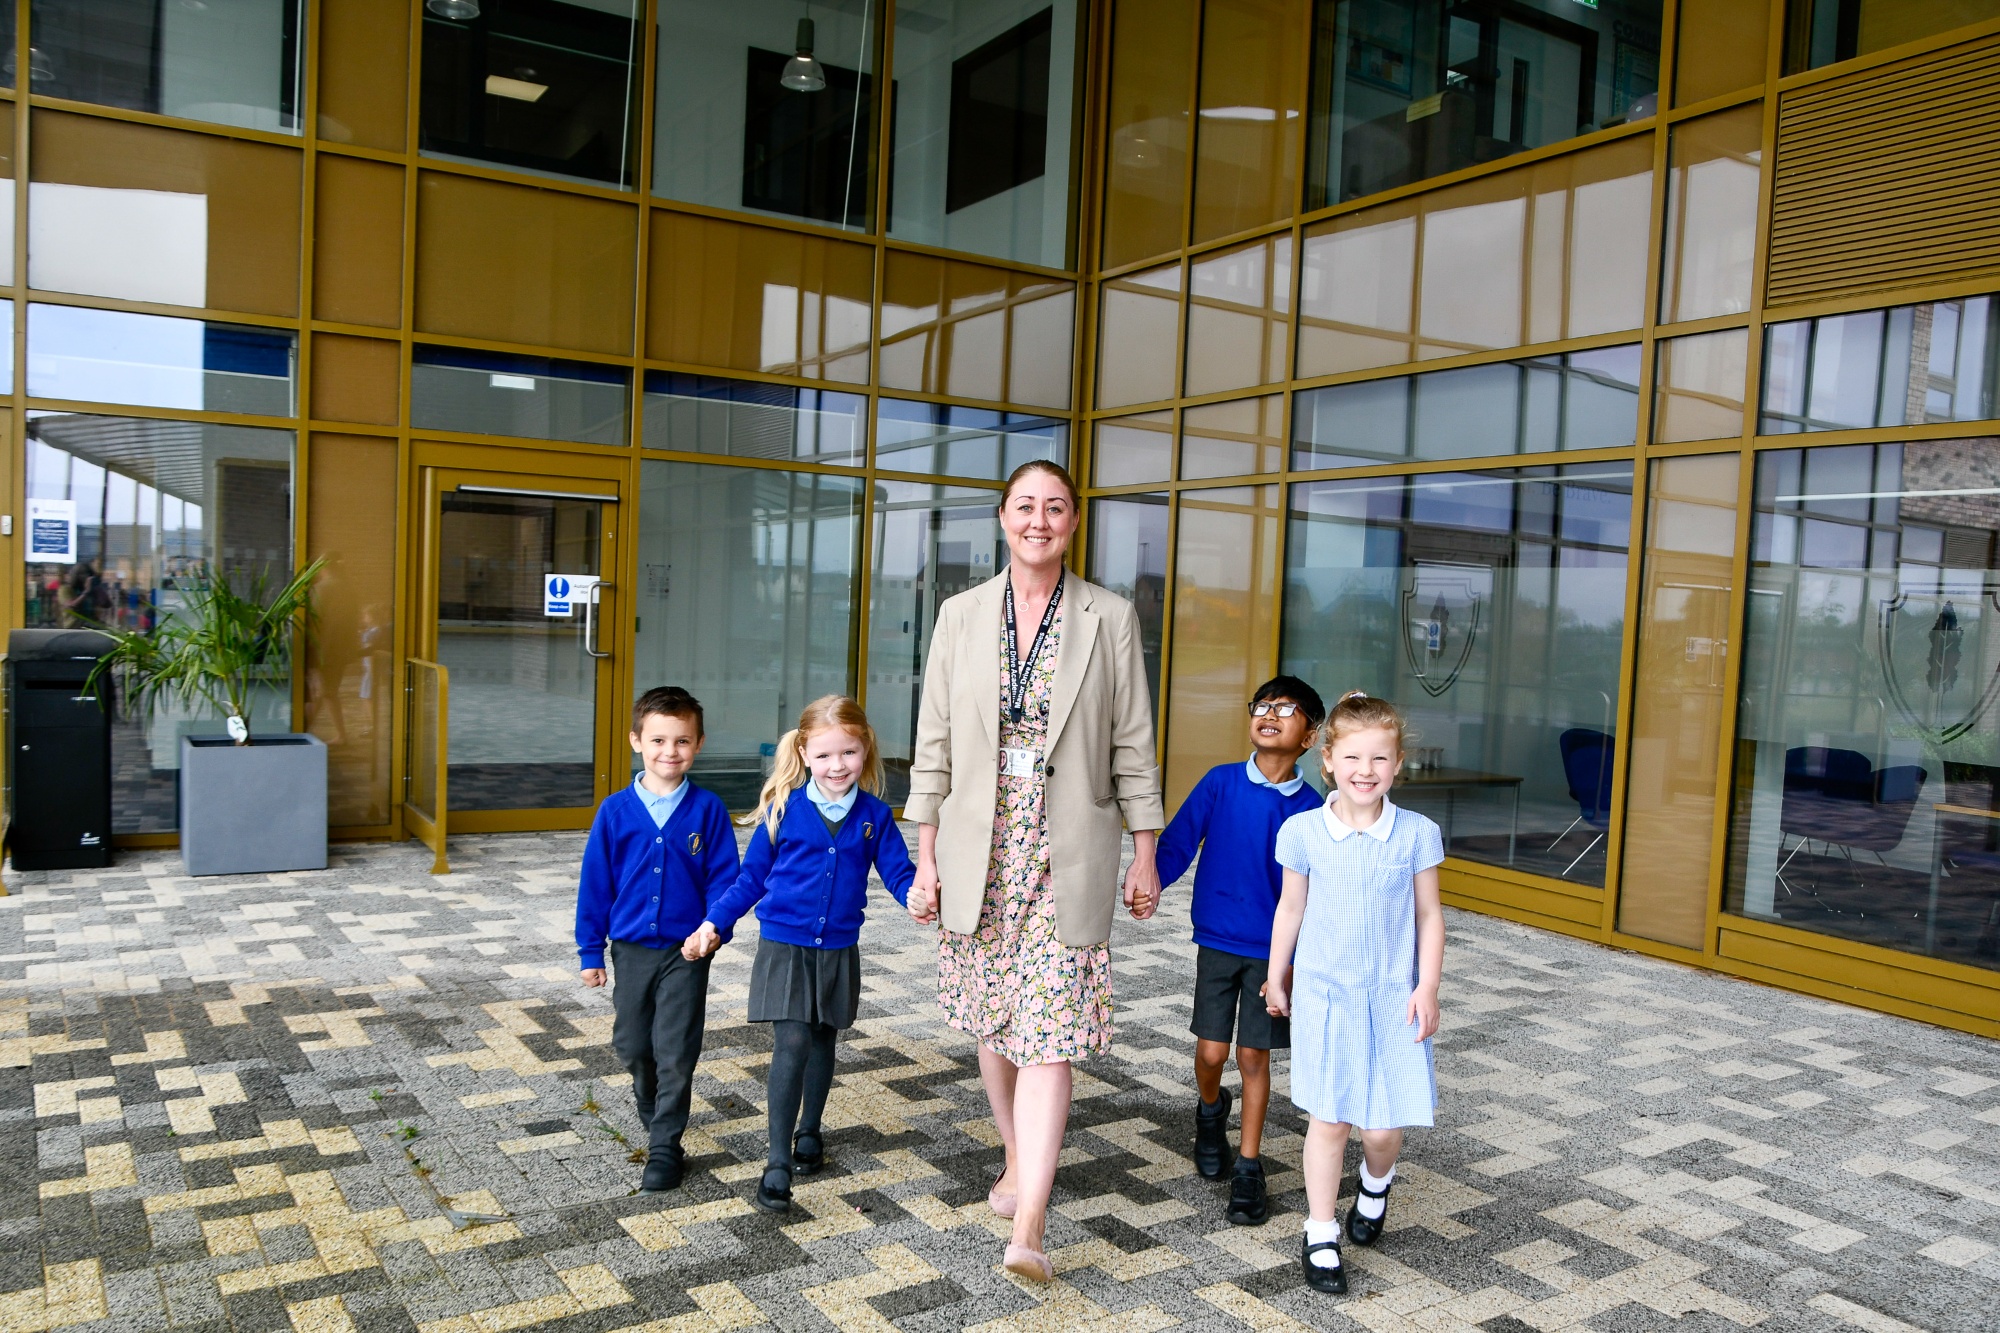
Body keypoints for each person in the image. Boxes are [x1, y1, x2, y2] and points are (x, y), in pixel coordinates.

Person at [904, 459, 1164, 1283]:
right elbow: (934, 740)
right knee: (996, 1016)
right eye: (1025, 506)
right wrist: (924, 856)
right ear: (1002, 518)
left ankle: (1034, 1222)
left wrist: (1146, 847)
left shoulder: (1109, 616)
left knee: (1051, 1033)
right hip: (980, 845)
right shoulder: (960, 614)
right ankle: (1016, 1157)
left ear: (1075, 520)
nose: (1039, 520)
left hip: (1069, 848)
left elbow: (1133, 738)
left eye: (1055, 507)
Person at [684, 695, 914, 1215]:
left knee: (822, 1038)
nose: (839, 766)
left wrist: (918, 899)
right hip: (783, 946)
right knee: (791, 1040)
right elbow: (750, 880)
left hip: (837, 949)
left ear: (865, 752)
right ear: (806, 753)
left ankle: (810, 1130)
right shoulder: (782, 808)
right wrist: (712, 923)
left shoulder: (875, 816)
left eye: (849, 754)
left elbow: (899, 875)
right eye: (827, 755)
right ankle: (776, 1161)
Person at [1266, 690, 1445, 1296]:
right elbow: (1290, 908)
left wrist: (1428, 987)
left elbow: (1429, 917)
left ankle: (1375, 1184)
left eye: (1379, 759)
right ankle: (1320, 1230)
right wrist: (1276, 972)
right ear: (1329, 760)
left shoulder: (1417, 834)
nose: (1365, 771)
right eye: (1353, 758)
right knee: (1331, 1118)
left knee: (1382, 1128)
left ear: (1397, 764)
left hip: (1393, 997)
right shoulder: (1304, 832)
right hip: (1326, 997)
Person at [1154, 675, 1326, 1226]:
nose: (1270, 713)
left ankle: (1249, 1168)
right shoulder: (1220, 783)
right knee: (1210, 1054)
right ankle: (1210, 1113)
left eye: (1287, 708)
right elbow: (1179, 841)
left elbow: (1319, 890)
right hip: (1217, 941)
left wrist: (1296, 962)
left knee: (1253, 1057)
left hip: (1274, 954)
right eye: (1262, 705)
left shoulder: (1314, 809)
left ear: (1310, 736)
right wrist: (1149, 881)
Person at [575, 687, 741, 1194]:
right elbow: (595, 881)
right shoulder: (615, 810)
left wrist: (714, 930)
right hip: (629, 948)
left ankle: (666, 1144)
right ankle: (651, 1107)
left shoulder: (708, 810)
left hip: (686, 950)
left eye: (683, 741)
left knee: (675, 1048)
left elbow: (725, 879)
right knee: (631, 1044)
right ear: (636, 741)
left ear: (699, 744)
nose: (671, 752)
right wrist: (590, 949)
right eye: (659, 740)